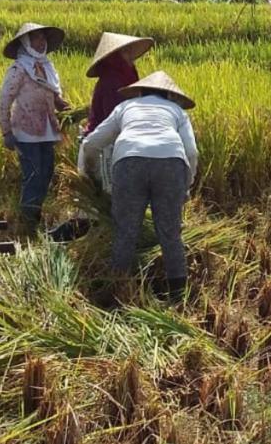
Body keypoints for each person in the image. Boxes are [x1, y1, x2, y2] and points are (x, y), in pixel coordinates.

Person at [79, 71, 198, 300]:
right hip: (170, 163)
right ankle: (177, 296)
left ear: (141, 91)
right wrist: (186, 184)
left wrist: (90, 173)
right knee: (170, 233)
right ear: (169, 95)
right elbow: (191, 152)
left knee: (126, 232)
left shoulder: (126, 106)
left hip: (129, 162)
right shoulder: (177, 111)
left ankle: (117, 292)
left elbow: (91, 143)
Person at [0, 23, 70, 232]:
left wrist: (60, 103)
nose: (41, 42)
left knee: (46, 174)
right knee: (33, 176)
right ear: (26, 43)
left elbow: (53, 94)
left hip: (47, 130)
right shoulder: (19, 68)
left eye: (42, 38)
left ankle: (34, 217)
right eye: (36, 38)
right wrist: (6, 131)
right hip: (26, 132)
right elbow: (4, 100)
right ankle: (28, 224)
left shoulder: (47, 67)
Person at [83, 31, 153, 188]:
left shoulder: (128, 76)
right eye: (125, 51)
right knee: (109, 192)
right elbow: (113, 118)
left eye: (129, 51)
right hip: (106, 141)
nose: (130, 56)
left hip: (121, 138)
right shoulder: (111, 80)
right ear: (114, 56)